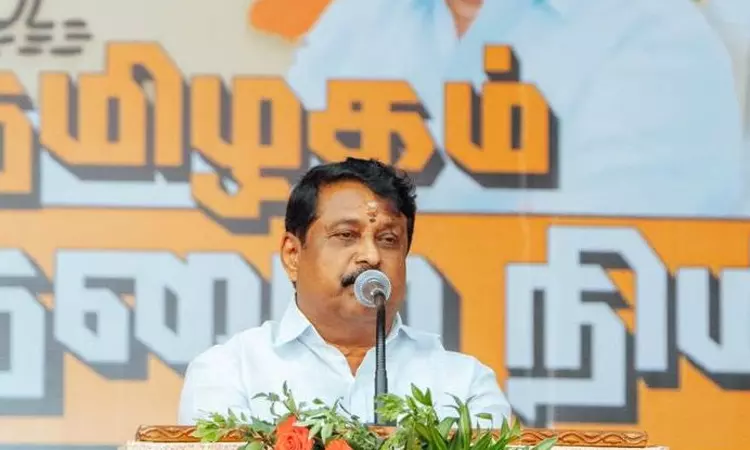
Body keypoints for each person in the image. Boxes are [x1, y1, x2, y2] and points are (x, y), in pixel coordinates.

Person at [283, 0, 745, 217]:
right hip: (376, 361)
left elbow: (595, 257)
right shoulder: (360, 19)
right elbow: (281, 207)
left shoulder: (655, 35)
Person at [177, 157, 512, 425]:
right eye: (346, 235)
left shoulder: (465, 386)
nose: (371, 256)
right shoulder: (231, 373)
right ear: (293, 255)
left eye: (388, 240)